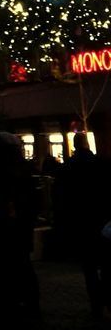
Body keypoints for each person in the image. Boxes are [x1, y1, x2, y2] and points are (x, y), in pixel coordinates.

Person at [55, 131, 111, 319]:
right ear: (87, 144)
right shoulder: (100, 164)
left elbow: (61, 198)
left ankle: (96, 304)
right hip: (101, 220)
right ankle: (107, 299)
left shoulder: (67, 167)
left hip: (80, 221)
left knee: (89, 267)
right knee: (106, 263)